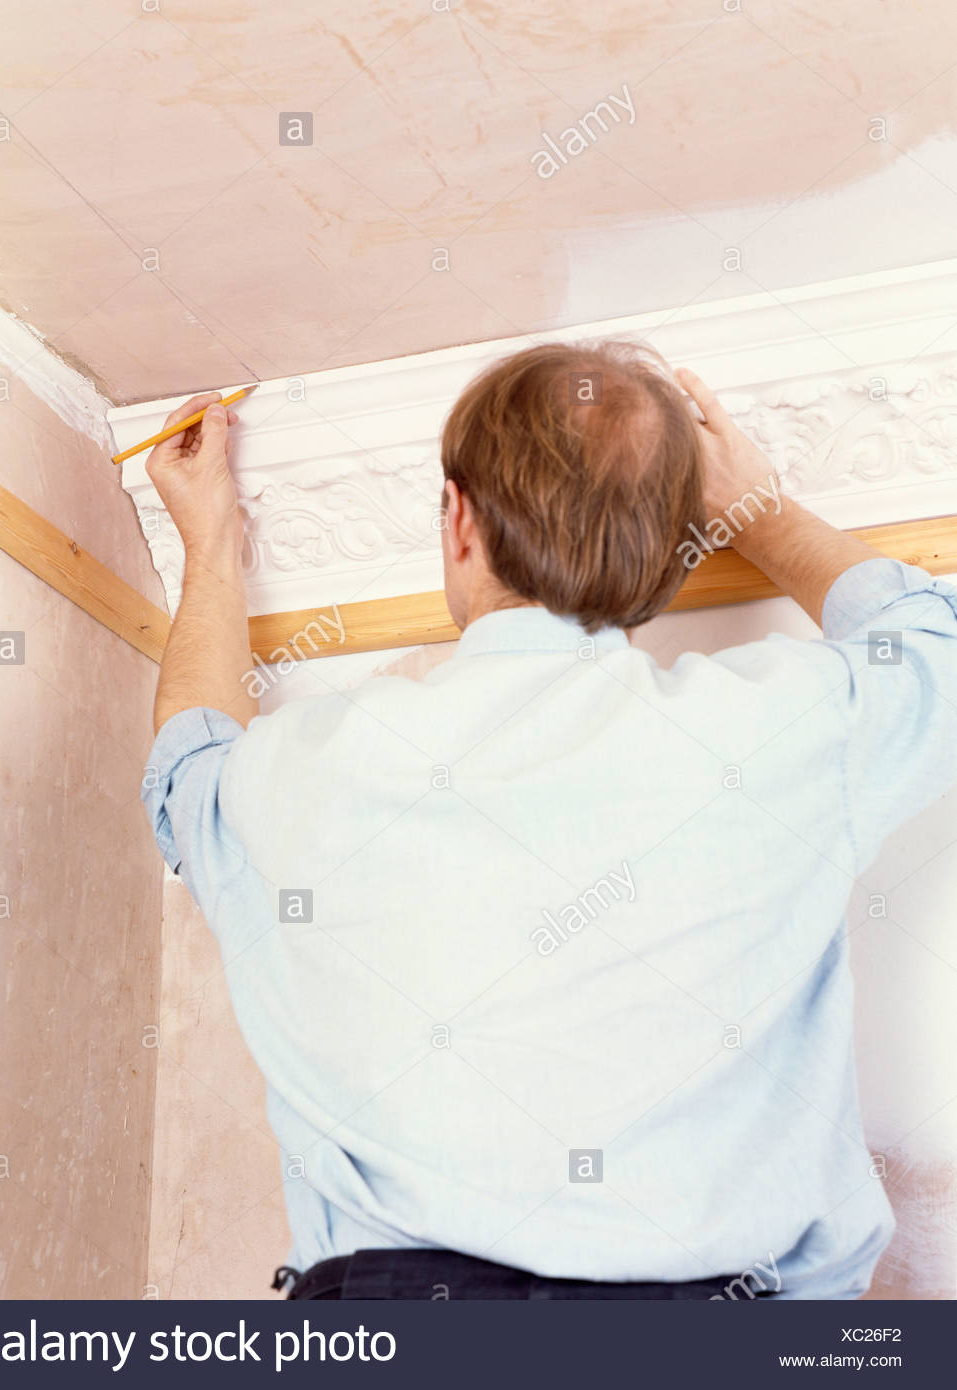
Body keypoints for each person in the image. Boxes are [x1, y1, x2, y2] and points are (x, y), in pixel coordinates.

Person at [141, 341, 957, 1300]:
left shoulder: (299, 771)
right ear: (668, 551)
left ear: (457, 520)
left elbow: (187, 763)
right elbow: (931, 645)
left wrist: (207, 547)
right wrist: (760, 512)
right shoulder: (784, 734)